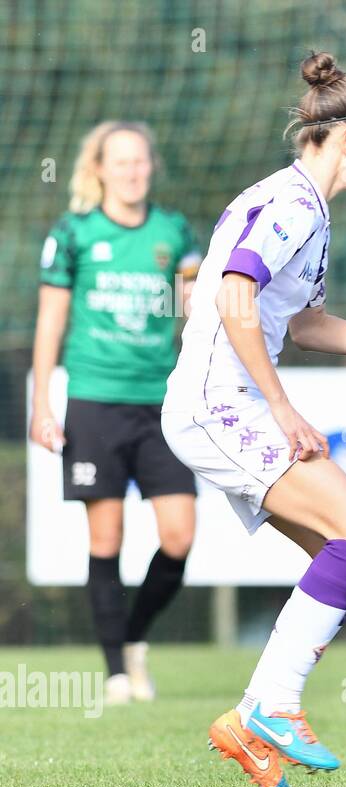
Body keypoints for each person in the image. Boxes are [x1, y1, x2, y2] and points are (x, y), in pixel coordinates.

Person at [161, 52, 346, 787]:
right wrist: (284, 408)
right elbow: (233, 298)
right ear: (344, 134)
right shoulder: (293, 204)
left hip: (225, 401)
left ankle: (249, 722)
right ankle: (274, 705)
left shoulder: (306, 209)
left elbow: (305, 322)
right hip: (214, 402)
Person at [31, 121, 202, 705]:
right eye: (120, 162)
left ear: (151, 166)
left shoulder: (173, 231)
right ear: (98, 168)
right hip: (95, 402)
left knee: (179, 535)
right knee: (107, 536)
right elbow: (50, 320)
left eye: (140, 161)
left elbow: (195, 305)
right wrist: (42, 403)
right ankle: (116, 675)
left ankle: (132, 639)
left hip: (161, 404)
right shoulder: (74, 232)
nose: (133, 171)